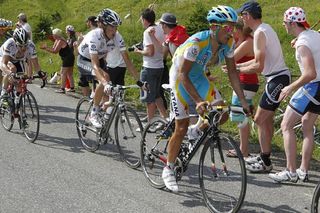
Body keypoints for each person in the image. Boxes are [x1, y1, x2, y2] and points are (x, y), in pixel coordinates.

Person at [161, 5, 250, 192]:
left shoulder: (227, 44)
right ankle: (168, 168)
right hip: (179, 77)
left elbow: (233, 72)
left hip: (198, 76)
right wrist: (199, 101)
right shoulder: (196, 43)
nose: (231, 31)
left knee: (222, 112)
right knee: (182, 126)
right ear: (214, 27)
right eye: (227, 27)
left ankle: (197, 131)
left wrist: (243, 101)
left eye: (233, 27)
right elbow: (183, 75)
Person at [236, 1, 291, 173]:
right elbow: (261, 61)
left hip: (277, 78)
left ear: (248, 16)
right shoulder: (264, 28)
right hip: (276, 77)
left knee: (259, 119)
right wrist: (238, 68)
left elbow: (258, 66)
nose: (242, 20)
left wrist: (238, 68)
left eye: (242, 16)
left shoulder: (259, 33)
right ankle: (265, 156)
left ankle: (265, 160)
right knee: (266, 120)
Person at [269, 7, 320, 183]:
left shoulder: (303, 43)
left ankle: (290, 171)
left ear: (292, 23)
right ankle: (303, 171)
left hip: (313, 86)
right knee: (306, 124)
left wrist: (290, 87)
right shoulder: (312, 35)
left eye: (285, 23)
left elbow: (310, 74)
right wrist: (299, 41)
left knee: (286, 125)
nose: (284, 25)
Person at [77, 8, 139, 128]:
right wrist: (105, 83)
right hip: (85, 60)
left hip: (99, 59)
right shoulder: (95, 36)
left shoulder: (117, 36)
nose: (114, 31)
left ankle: (103, 116)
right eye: (112, 27)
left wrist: (139, 81)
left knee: (110, 90)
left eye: (116, 28)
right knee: (105, 78)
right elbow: (95, 65)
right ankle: (94, 113)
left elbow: (127, 60)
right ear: (103, 26)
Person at [225, 18, 259, 159]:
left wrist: (233, 41)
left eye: (234, 30)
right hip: (246, 83)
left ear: (239, 30)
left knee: (241, 117)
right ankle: (243, 148)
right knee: (243, 116)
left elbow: (231, 58)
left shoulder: (247, 42)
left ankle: (243, 150)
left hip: (245, 83)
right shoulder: (247, 40)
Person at [133, 8, 168, 123]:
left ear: (145, 20)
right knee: (157, 95)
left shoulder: (148, 31)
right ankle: (165, 119)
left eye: (142, 19)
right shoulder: (160, 27)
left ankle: (150, 123)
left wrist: (138, 51)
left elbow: (150, 52)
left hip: (150, 67)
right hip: (160, 66)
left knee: (149, 98)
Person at [0, 28, 42, 102]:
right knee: (12, 69)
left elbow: (35, 64)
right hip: (4, 57)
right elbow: (3, 64)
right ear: (15, 42)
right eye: (20, 45)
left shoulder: (31, 45)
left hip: (17, 60)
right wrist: (10, 73)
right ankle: (4, 93)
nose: (23, 48)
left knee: (20, 80)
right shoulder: (9, 44)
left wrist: (41, 74)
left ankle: (17, 101)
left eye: (25, 45)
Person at [40, 28, 75, 93]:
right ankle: (72, 88)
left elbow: (55, 51)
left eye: (53, 34)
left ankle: (62, 89)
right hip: (69, 57)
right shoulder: (58, 40)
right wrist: (47, 47)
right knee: (69, 73)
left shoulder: (60, 41)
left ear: (56, 35)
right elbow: (53, 48)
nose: (52, 35)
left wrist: (46, 48)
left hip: (67, 57)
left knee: (63, 73)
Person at [75, 16, 98, 97]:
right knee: (95, 78)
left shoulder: (93, 33)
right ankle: (92, 97)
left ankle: (88, 98)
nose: (86, 24)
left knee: (85, 79)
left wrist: (79, 40)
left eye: (87, 22)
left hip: (87, 58)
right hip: (94, 57)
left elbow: (79, 49)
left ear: (89, 22)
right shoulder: (96, 32)